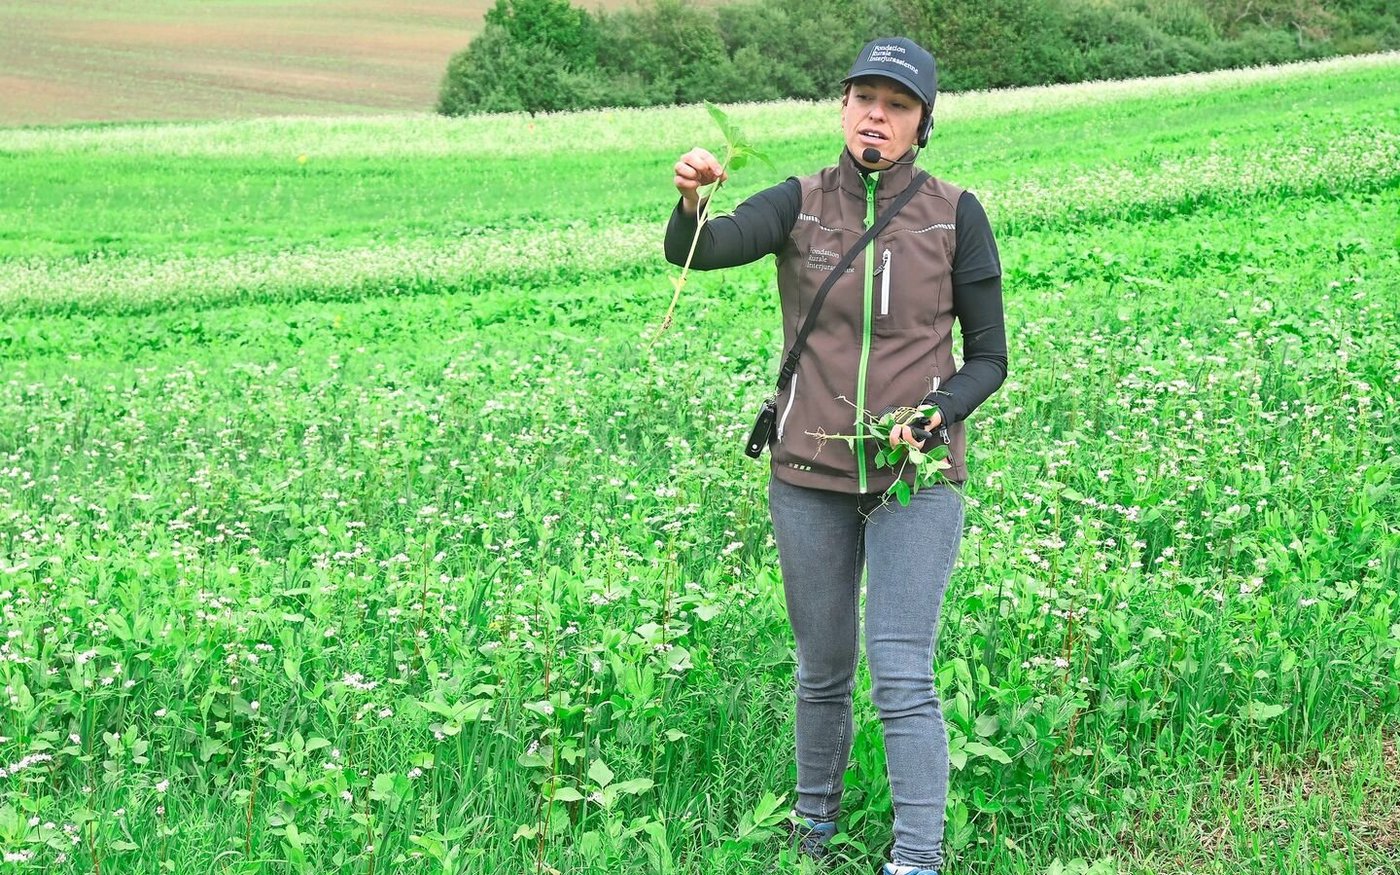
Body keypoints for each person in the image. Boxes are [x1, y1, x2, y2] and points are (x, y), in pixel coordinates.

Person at [664, 36, 1006, 875]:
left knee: (899, 670)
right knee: (822, 666)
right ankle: (811, 828)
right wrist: (691, 200)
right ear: (843, 108)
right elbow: (696, 252)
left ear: (925, 124)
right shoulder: (800, 203)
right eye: (864, 100)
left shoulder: (954, 213)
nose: (876, 119)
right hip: (808, 475)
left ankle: (916, 859)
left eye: (897, 106)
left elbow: (989, 356)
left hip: (915, 478)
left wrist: (936, 413)